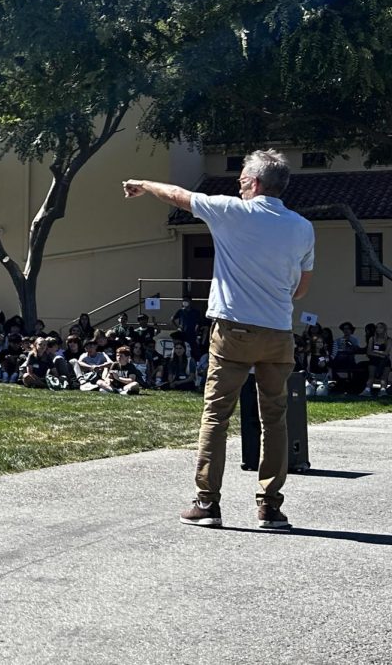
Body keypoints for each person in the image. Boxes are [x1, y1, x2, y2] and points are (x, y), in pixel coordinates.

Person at [125, 148, 313, 530]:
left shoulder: (232, 211)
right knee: (275, 420)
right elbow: (300, 291)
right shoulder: (302, 227)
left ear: (256, 183)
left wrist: (143, 184)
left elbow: (178, 195)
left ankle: (207, 503)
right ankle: (270, 508)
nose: (238, 183)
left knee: (216, 416)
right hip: (279, 331)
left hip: (233, 330)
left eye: (243, 178)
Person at [361, 322, 390, 397]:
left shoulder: (388, 340)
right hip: (374, 360)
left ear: (384, 329)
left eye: (380, 327)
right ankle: (367, 390)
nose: (378, 329)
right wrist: (380, 353)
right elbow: (369, 352)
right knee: (371, 376)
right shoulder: (372, 339)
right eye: (377, 327)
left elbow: (386, 353)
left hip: (385, 361)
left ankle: (383, 391)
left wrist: (374, 351)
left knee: (384, 377)